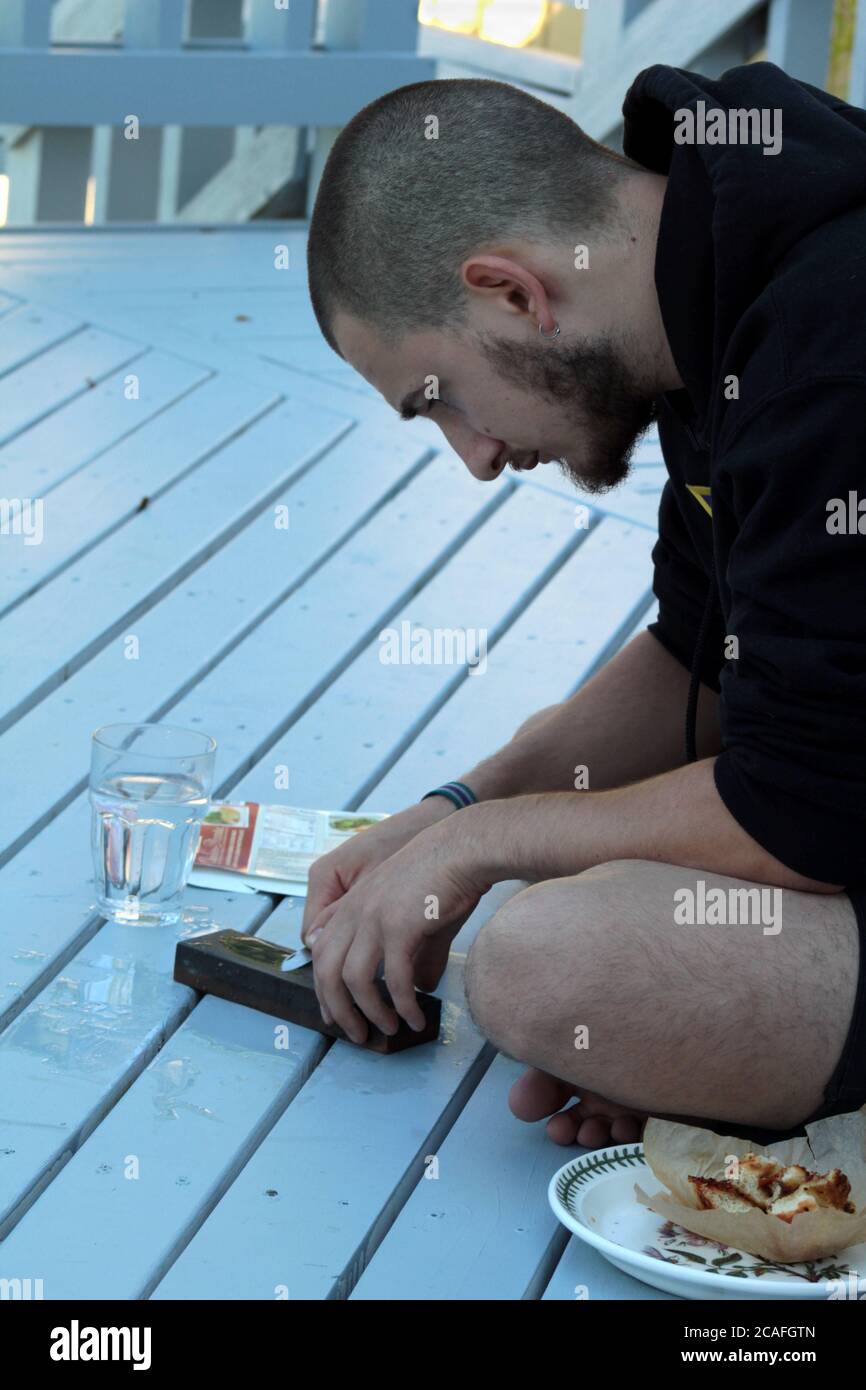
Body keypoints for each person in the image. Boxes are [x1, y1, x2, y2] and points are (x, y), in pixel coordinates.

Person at [301, 64, 866, 1149]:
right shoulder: (712, 287)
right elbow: (690, 659)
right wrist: (451, 811)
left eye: (441, 399)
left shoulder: (824, 350)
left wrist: (486, 849)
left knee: (547, 962)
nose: (473, 458)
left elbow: (804, 811)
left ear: (511, 290)